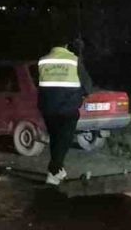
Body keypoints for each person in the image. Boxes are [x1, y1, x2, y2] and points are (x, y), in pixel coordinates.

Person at [37, 41, 94, 186]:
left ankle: (57, 170)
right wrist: (81, 94)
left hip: (47, 108)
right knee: (65, 139)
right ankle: (54, 170)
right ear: (66, 46)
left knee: (56, 139)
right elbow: (88, 85)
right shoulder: (73, 61)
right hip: (67, 109)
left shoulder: (42, 60)